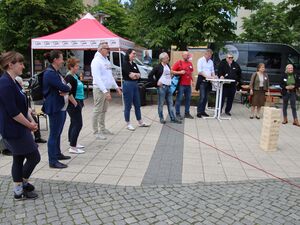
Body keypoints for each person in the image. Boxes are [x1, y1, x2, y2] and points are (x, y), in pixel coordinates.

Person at [0, 51, 40, 200]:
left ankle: (19, 190)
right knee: (34, 156)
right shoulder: (4, 84)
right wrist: (29, 125)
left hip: (19, 126)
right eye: (20, 63)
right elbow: (13, 112)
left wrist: (31, 119)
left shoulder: (14, 81)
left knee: (18, 158)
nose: (23, 66)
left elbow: (23, 106)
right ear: (10, 65)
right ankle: (21, 185)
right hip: (13, 129)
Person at [43, 50, 71, 169]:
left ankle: (57, 153)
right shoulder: (50, 73)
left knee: (58, 132)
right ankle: (52, 161)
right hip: (54, 107)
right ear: (55, 60)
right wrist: (67, 87)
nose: (63, 60)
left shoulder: (55, 72)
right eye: (61, 58)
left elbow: (64, 87)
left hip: (60, 106)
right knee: (54, 134)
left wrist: (66, 88)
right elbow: (64, 86)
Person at [91, 42, 122, 139]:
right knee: (97, 110)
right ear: (101, 50)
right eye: (106, 48)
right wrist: (105, 91)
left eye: (108, 48)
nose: (109, 50)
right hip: (99, 89)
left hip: (106, 88)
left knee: (103, 110)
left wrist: (117, 87)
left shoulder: (106, 60)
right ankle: (96, 132)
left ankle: (102, 128)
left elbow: (110, 76)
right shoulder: (96, 61)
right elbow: (97, 78)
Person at [148, 52, 181, 124]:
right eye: (167, 57)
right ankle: (161, 118)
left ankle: (173, 118)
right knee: (161, 104)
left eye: (168, 57)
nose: (168, 58)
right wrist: (156, 83)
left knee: (170, 103)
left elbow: (168, 75)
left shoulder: (168, 65)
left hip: (169, 87)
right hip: (161, 88)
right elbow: (150, 76)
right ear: (162, 59)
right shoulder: (157, 66)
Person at [122, 48, 150, 131]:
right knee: (128, 105)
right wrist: (135, 75)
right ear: (128, 54)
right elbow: (131, 75)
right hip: (128, 85)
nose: (135, 55)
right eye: (133, 53)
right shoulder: (125, 64)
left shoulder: (134, 64)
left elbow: (139, 75)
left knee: (137, 104)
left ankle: (140, 121)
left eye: (135, 54)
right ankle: (128, 123)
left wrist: (135, 75)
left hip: (135, 85)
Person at [15, 76, 47, 144]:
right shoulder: (16, 92)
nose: (22, 85)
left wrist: (30, 108)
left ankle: (37, 137)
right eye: (21, 83)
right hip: (20, 113)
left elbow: (26, 103)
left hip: (26, 111)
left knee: (34, 118)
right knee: (30, 119)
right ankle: (28, 138)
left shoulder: (22, 91)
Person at [65, 58, 85, 154]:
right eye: (76, 66)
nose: (78, 67)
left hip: (78, 100)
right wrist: (75, 103)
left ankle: (73, 142)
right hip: (74, 102)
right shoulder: (69, 77)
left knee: (74, 123)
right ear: (71, 67)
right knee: (78, 124)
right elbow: (68, 92)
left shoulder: (75, 76)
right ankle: (72, 147)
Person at [173, 51, 194, 120]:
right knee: (179, 99)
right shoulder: (179, 62)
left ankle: (187, 113)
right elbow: (171, 71)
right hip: (181, 84)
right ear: (182, 55)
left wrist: (193, 81)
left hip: (188, 84)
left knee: (188, 99)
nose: (187, 56)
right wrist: (180, 72)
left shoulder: (190, 63)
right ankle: (177, 113)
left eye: (188, 55)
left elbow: (191, 73)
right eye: (186, 55)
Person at [196, 49, 216, 118]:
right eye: (209, 55)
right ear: (205, 54)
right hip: (202, 81)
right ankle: (199, 111)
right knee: (202, 97)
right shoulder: (200, 60)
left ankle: (203, 111)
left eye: (210, 56)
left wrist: (214, 76)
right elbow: (200, 71)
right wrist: (208, 77)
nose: (210, 57)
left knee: (206, 97)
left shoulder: (211, 62)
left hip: (209, 81)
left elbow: (212, 71)